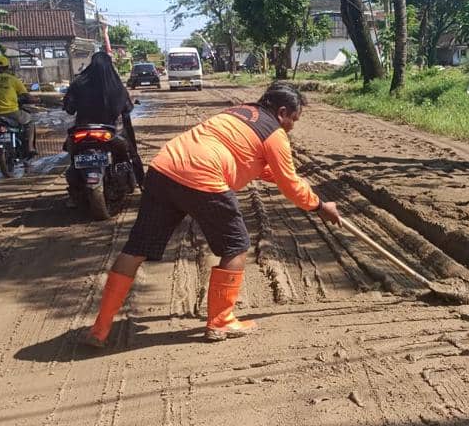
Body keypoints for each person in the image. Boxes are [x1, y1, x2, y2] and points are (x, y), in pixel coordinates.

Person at [83, 81, 341, 347]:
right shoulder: (274, 133)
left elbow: (253, 161)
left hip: (164, 168)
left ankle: (99, 328)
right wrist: (320, 206)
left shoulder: (237, 113)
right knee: (235, 246)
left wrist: (286, 177)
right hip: (203, 176)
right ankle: (221, 321)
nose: (291, 127)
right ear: (282, 111)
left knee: (136, 248)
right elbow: (290, 186)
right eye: (293, 120)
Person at [63, 51, 142, 184]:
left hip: (83, 131)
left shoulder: (78, 83)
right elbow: (127, 109)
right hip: (111, 131)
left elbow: (70, 109)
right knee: (129, 153)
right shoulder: (116, 85)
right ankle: (140, 181)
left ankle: (75, 187)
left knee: (72, 153)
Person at [0, 54, 35, 154]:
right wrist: (36, 100)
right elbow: (26, 95)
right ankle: (30, 147)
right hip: (11, 112)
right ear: (7, 67)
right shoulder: (13, 79)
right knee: (30, 121)